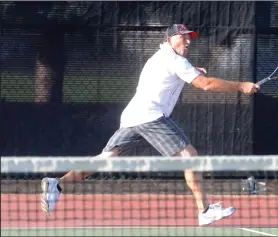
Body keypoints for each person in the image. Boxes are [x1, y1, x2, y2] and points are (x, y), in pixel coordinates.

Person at [40, 24, 260, 226]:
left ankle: (57, 185)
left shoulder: (161, 58)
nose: (188, 41)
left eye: (190, 38)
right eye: (183, 37)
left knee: (105, 159)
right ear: (170, 38)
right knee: (189, 156)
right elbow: (207, 85)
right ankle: (204, 211)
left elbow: (174, 76)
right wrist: (241, 85)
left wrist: (192, 70)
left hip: (132, 116)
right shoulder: (175, 60)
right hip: (150, 116)